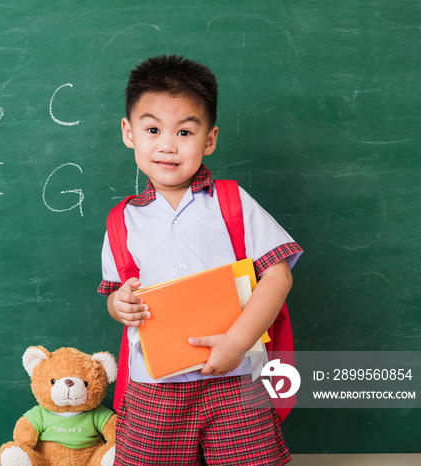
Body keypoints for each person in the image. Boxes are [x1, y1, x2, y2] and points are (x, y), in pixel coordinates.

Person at [98, 55, 303, 465]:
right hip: (155, 381)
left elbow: (278, 277)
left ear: (208, 139)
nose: (168, 145)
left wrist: (236, 342)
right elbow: (117, 295)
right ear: (129, 133)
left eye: (185, 131)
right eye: (153, 129)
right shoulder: (122, 220)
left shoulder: (231, 201)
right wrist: (119, 305)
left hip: (236, 375)